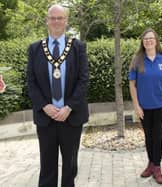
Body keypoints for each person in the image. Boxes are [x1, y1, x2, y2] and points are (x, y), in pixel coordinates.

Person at [26, 4, 89, 187]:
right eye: (52, 18)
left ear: (66, 21)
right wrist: (45, 106)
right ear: (47, 21)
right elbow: (31, 82)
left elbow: (83, 80)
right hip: (46, 118)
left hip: (71, 117)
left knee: (70, 166)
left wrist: (68, 107)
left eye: (60, 18)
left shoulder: (78, 47)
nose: (56, 22)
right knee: (47, 166)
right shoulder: (35, 48)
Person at [128, 28, 162, 184]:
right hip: (144, 108)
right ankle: (150, 163)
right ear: (142, 42)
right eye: (145, 39)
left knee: (157, 136)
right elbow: (132, 85)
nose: (148, 41)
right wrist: (136, 106)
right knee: (148, 137)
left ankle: (157, 167)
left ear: (156, 41)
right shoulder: (137, 60)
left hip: (161, 105)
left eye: (151, 38)